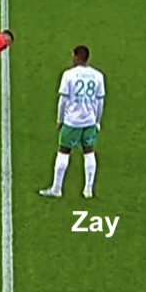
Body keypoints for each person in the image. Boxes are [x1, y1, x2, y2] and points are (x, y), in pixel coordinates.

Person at [40, 44, 105, 199]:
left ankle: (56, 189)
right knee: (89, 152)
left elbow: (63, 100)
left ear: (77, 57)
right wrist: (97, 121)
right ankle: (88, 190)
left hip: (72, 121)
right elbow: (100, 101)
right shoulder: (98, 75)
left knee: (64, 151)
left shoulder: (68, 75)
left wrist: (60, 119)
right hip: (89, 121)